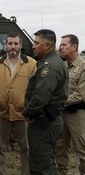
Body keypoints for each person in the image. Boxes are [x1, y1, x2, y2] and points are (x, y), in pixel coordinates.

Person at [0, 32, 37, 175]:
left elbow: (37, 86)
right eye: (10, 43)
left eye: (16, 43)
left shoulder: (31, 63)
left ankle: (27, 172)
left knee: (26, 147)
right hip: (2, 111)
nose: (13, 46)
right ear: (5, 45)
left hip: (23, 113)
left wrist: (29, 104)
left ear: (20, 45)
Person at [22, 29, 69, 175]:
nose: (33, 46)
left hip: (45, 122)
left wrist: (27, 112)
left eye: (36, 43)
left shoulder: (49, 66)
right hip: (47, 120)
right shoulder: (52, 62)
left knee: (41, 166)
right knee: (45, 160)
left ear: (47, 46)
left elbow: (41, 96)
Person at [56, 34, 85, 175]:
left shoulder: (83, 66)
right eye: (60, 45)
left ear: (74, 47)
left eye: (64, 45)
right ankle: (60, 171)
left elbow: (80, 94)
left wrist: (58, 101)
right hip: (61, 113)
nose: (60, 47)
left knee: (82, 146)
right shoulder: (61, 66)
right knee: (60, 146)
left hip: (77, 114)